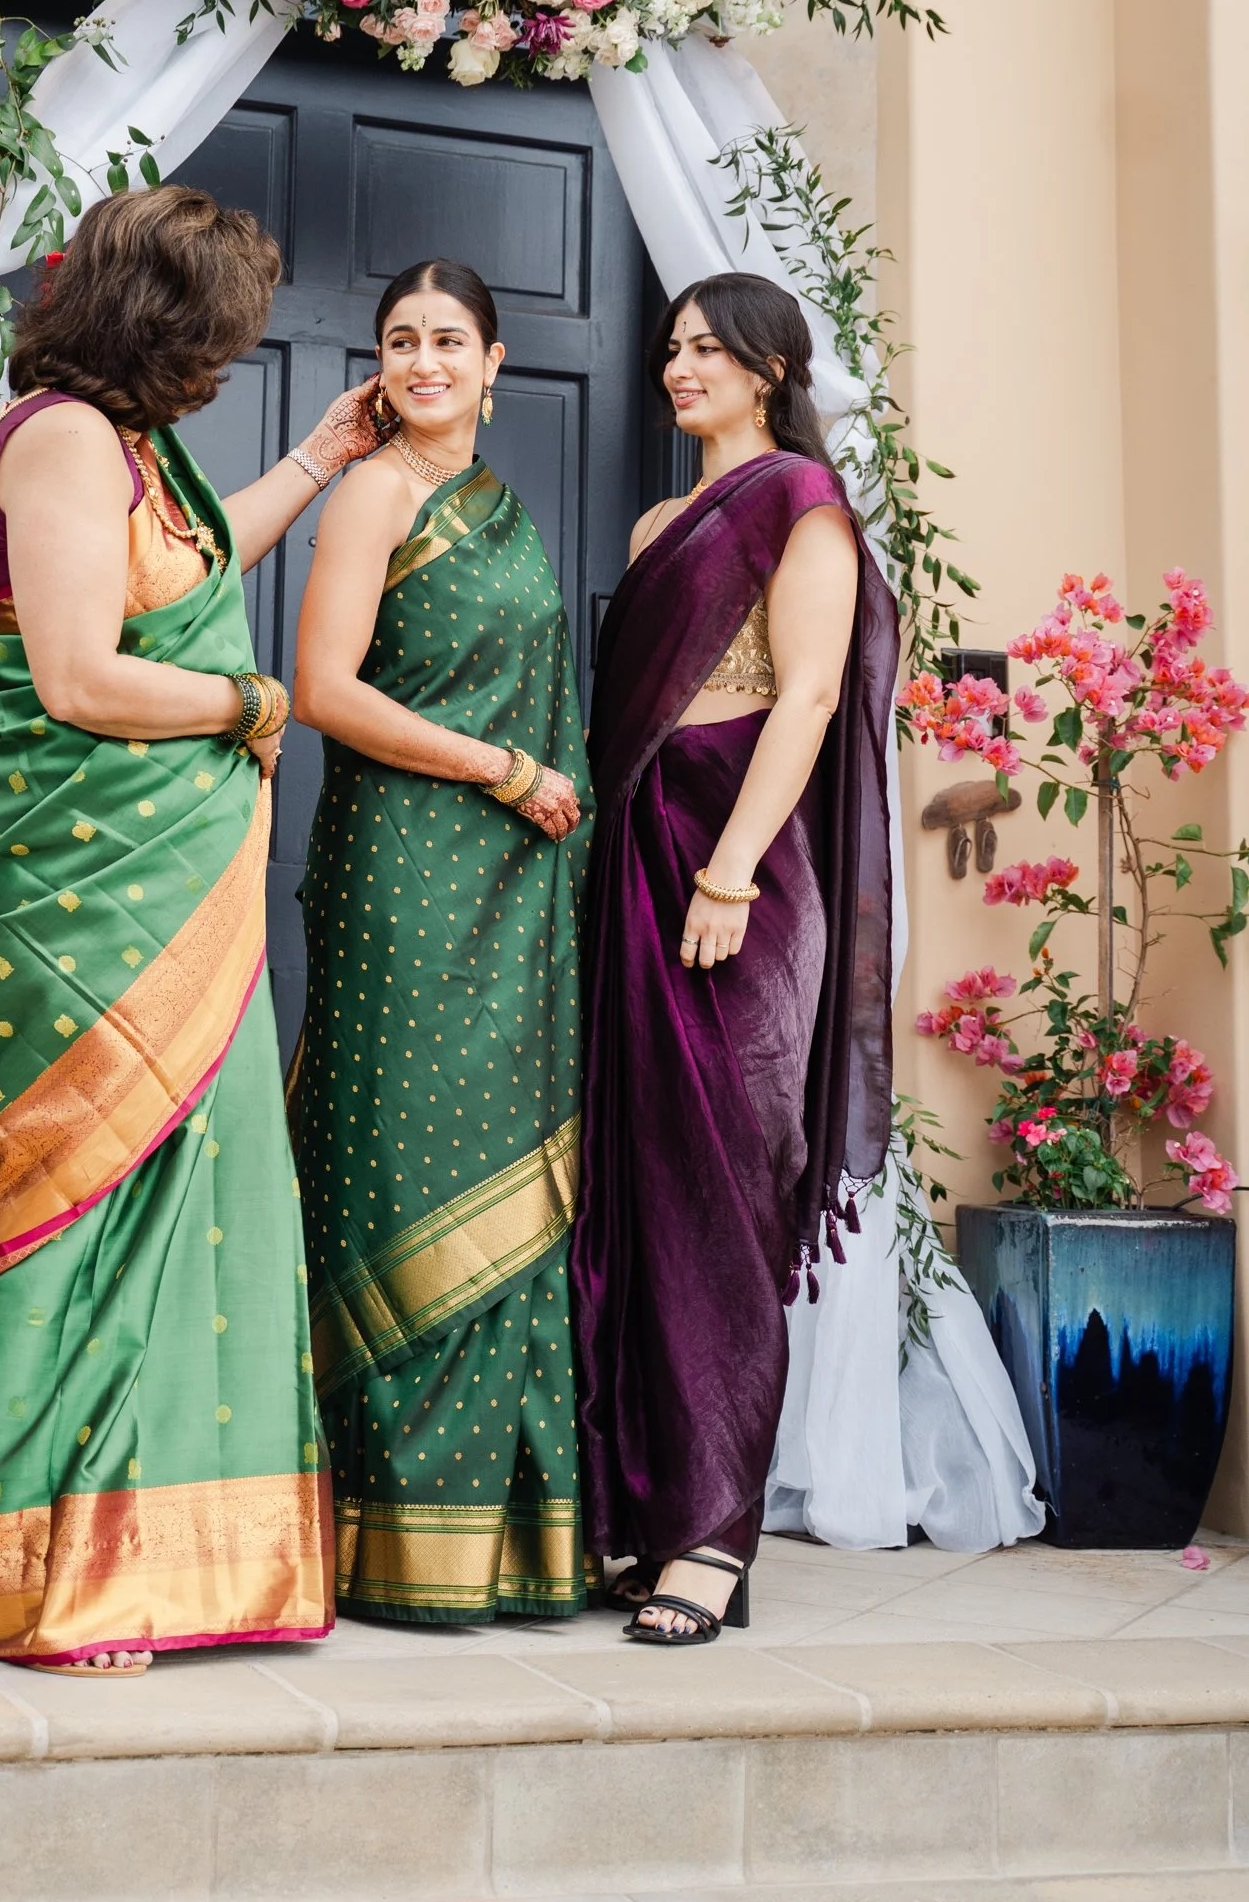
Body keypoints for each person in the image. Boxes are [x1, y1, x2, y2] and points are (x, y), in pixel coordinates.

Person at [0, 184, 387, 1670]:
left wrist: (318, 460)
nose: (221, 366)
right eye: (217, 339)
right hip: (65, 901)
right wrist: (252, 702)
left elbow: (185, 577)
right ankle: (29, 1580)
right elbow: (82, 677)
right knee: (66, 1196)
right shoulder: (66, 441)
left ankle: (164, 1566)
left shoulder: (135, 451)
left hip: (166, 893)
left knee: (176, 1207)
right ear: (161, 325)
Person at [571, 271, 899, 1645]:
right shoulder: (661, 524)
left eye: (710, 349)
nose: (680, 367)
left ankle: (713, 1538)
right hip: (638, 848)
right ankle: (647, 1511)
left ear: (769, 369)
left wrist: (729, 871)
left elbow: (809, 695)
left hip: (740, 869)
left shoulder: (802, 505)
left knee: (723, 1190)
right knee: (637, 1186)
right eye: (674, 346)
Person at [290, 260, 590, 1625]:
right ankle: (377, 1526)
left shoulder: (501, 508)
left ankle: (505, 1540)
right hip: (408, 874)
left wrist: (530, 797)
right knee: (400, 1163)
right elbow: (322, 690)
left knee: (501, 1159)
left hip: (513, 885)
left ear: (494, 362)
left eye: (449, 340)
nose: (424, 361)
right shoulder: (375, 494)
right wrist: (501, 770)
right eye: (402, 340)